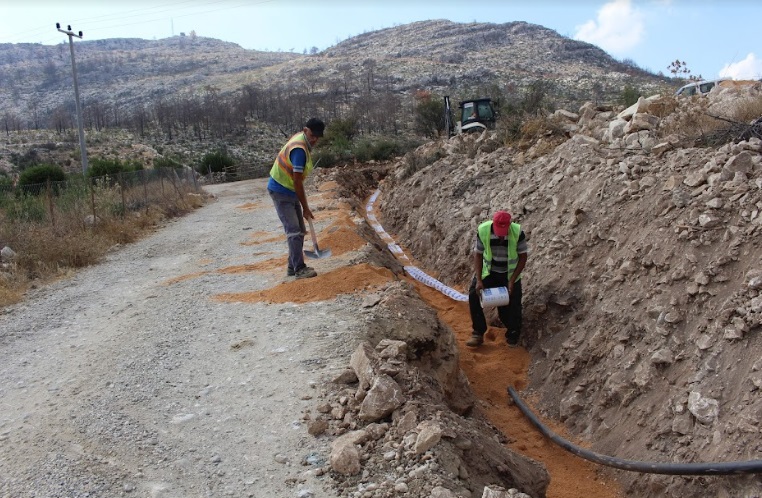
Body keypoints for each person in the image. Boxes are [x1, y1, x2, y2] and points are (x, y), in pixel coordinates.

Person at [267, 118, 325, 279]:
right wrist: (305, 207)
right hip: (281, 190)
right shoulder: (299, 149)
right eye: (313, 135)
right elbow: (297, 181)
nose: (315, 140)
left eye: (317, 137)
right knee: (293, 231)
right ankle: (299, 269)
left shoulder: (302, 140)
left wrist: (303, 206)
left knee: (299, 230)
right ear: (306, 130)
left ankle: (292, 266)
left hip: (289, 190)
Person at [466, 210, 528, 347]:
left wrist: (512, 281)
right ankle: (478, 332)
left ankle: (513, 333)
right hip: (489, 272)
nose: (501, 235)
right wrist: (479, 280)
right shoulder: (483, 230)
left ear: (509, 224)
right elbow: (478, 255)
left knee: (513, 304)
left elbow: (523, 257)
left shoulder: (517, 233)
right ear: (493, 223)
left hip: (509, 274)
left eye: (504, 230)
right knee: (474, 295)